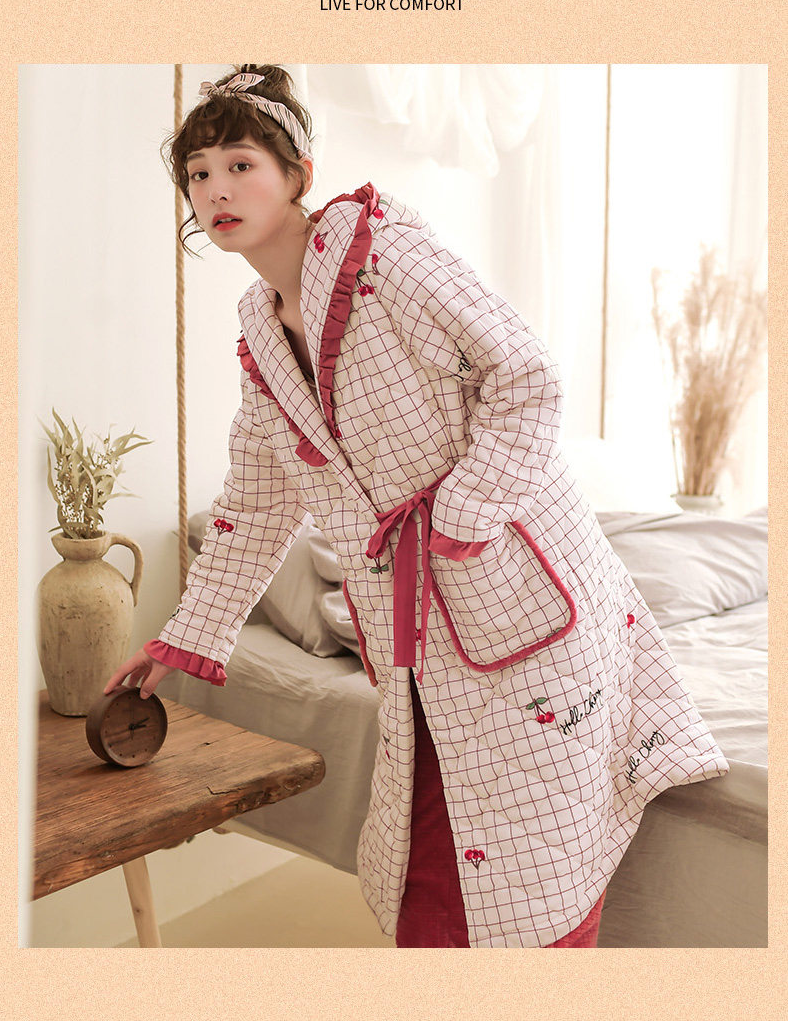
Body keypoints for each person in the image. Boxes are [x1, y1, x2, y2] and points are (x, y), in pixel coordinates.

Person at [104, 64, 730, 948]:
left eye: (241, 164)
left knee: (538, 869)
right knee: (436, 878)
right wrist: (178, 640)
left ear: (298, 172)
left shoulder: (385, 254)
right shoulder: (260, 330)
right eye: (198, 174)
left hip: (515, 585)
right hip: (417, 634)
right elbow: (255, 503)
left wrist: (464, 515)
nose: (217, 190)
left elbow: (526, 374)